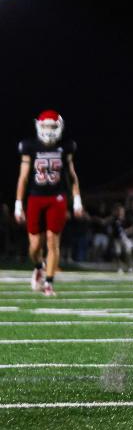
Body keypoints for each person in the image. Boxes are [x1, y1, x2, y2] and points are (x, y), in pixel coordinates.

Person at [13, 110, 83, 296]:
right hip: (35, 197)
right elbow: (23, 177)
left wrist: (76, 200)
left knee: (53, 241)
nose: (49, 130)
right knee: (35, 246)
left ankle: (49, 283)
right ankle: (38, 266)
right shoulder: (29, 146)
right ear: (38, 126)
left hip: (57, 198)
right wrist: (18, 203)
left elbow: (71, 175)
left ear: (59, 127)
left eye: (53, 126)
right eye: (46, 126)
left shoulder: (66, 146)